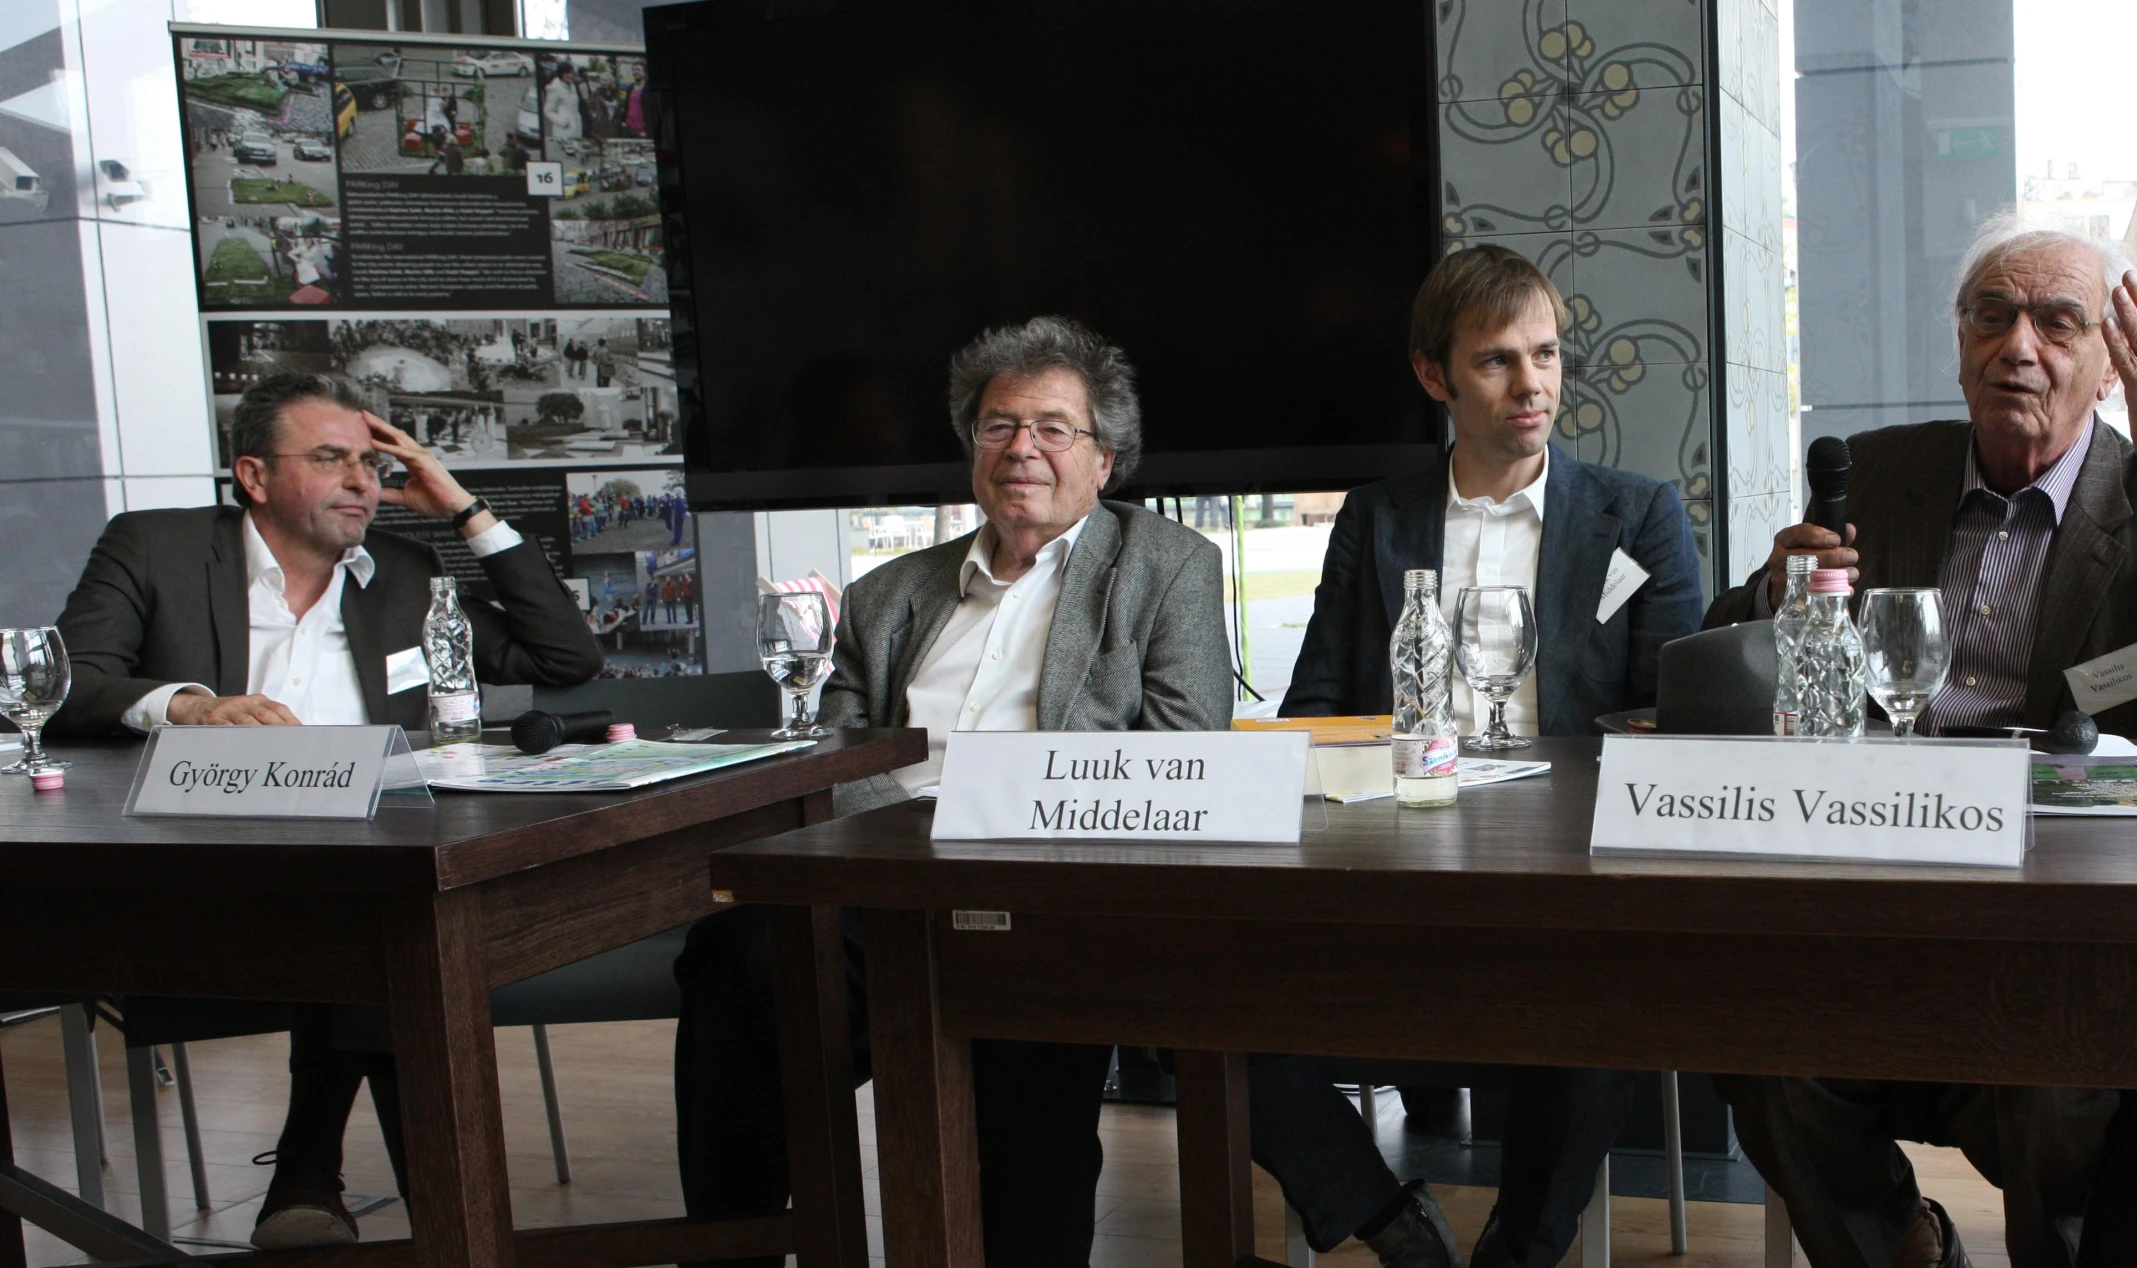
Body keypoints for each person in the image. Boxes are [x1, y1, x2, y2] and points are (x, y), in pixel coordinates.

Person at [1702, 213, 2137, 1268]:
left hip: (2066, 920)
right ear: (1959, 339)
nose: (2017, 345)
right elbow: (1736, 666)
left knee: (2062, 1085)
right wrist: (1776, 591)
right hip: (1887, 887)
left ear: (2112, 361)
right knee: (1766, 1048)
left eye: (2057, 321)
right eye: (1993, 315)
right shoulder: (1883, 475)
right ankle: (1896, 1240)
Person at [670, 315, 1233, 1268]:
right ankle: (735, 1249)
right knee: (736, 956)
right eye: (999, 426)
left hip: (1050, 887)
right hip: (885, 891)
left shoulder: (1165, 568)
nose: (1023, 449)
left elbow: (1182, 753)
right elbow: (832, 766)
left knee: (1028, 1062)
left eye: (1055, 428)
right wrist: (899, 854)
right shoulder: (890, 595)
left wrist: (1001, 824)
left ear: (1106, 460)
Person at [54, 371, 600, 1248]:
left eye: (371, 463)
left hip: (373, 869)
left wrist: (459, 505)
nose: (362, 480)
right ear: (254, 475)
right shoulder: (152, 548)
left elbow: (567, 656)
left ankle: (315, 1170)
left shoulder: (406, 578)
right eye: (330, 459)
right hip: (198, 867)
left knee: (381, 914)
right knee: (389, 929)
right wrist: (188, 705)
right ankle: (451, 1223)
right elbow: (67, 681)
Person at [1270, 245, 1706, 1268]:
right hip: (1395, 859)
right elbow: (1317, 704)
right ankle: (1388, 1220)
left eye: (1546, 355)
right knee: (1203, 994)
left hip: (1571, 874)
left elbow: (1670, 715)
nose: (1533, 385)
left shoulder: (1637, 516)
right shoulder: (1377, 519)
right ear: (1435, 376)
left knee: (1606, 983)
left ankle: (1517, 1249)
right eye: (1498, 361)